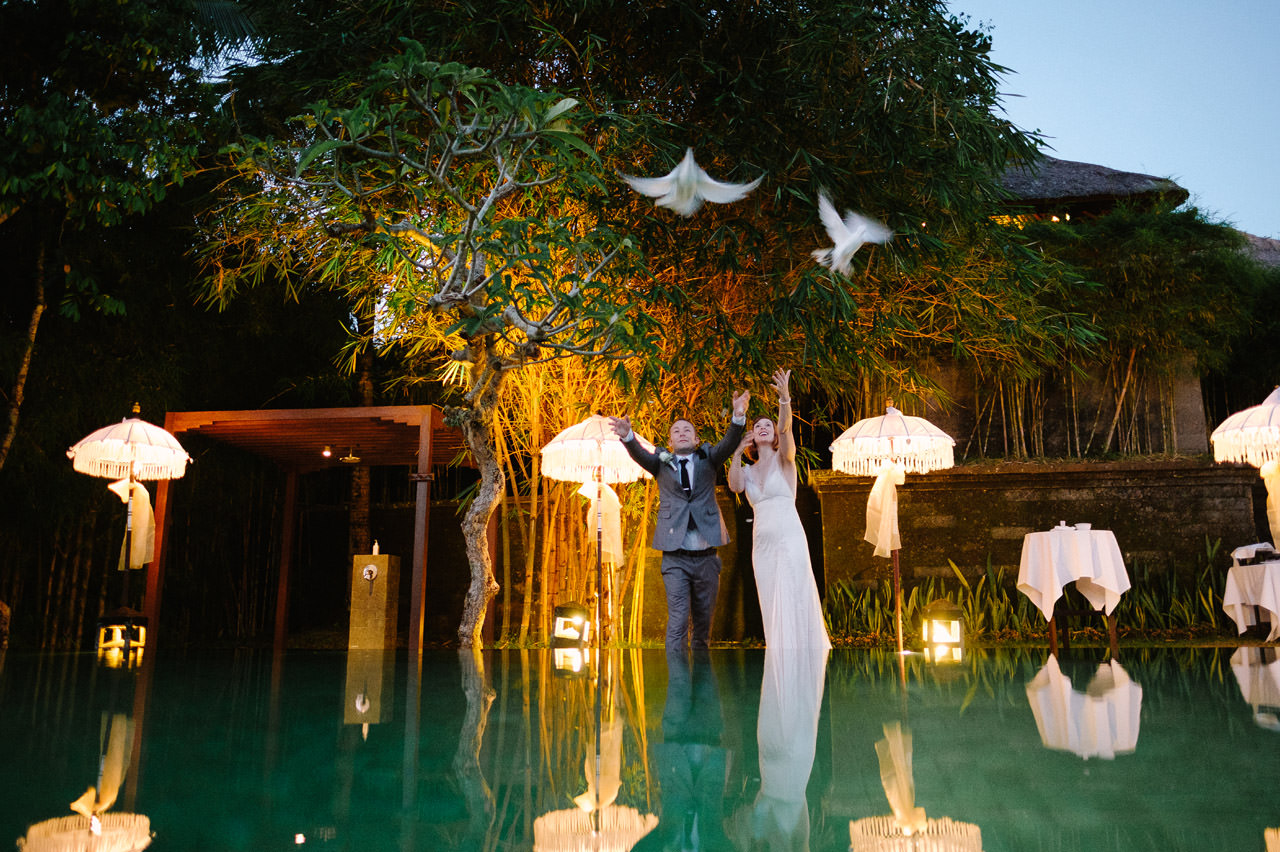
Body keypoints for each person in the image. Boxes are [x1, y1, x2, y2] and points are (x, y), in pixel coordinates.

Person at [610, 391, 749, 650]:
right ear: (670, 441)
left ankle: (701, 673)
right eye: (676, 431)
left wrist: (738, 416)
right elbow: (640, 455)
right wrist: (628, 437)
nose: (682, 433)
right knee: (678, 620)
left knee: (703, 627)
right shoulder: (660, 463)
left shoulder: (709, 459)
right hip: (675, 557)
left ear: (696, 439)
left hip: (707, 557)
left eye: (687, 430)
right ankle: (678, 675)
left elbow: (729, 443)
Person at [728, 369, 831, 649]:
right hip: (762, 543)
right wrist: (736, 452)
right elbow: (735, 486)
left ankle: (802, 649)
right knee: (771, 595)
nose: (763, 427)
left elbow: (786, 428)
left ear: (773, 434)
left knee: (794, 591)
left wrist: (784, 399)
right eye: (757, 425)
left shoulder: (785, 459)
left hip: (789, 536)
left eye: (768, 425)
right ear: (751, 435)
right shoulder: (747, 470)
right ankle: (779, 648)